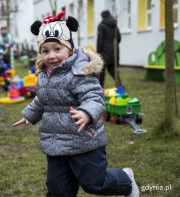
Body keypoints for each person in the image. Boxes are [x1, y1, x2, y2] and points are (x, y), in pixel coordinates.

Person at [12, 11, 139, 197]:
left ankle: (125, 180)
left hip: (84, 140)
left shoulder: (80, 71)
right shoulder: (44, 74)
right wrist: (30, 115)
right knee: (58, 190)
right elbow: (43, 98)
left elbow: (95, 97)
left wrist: (87, 113)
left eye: (57, 49)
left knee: (95, 184)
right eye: (45, 51)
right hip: (56, 144)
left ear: (69, 49)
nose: (51, 56)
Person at [97, 10, 122, 88]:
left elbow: (100, 40)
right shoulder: (115, 25)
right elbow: (119, 39)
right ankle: (121, 89)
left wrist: (98, 52)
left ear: (103, 16)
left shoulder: (101, 25)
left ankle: (100, 90)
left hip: (104, 52)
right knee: (114, 72)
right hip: (114, 52)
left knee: (101, 72)